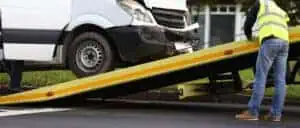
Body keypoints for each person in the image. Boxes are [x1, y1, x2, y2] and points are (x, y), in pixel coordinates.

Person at [235, 0, 290, 122]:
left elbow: (249, 22)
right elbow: (285, 23)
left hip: (270, 40)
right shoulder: (279, 9)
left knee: (261, 77)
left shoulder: (261, 3)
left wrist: (249, 36)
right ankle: (275, 114)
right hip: (285, 42)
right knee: (280, 80)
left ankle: (252, 112)